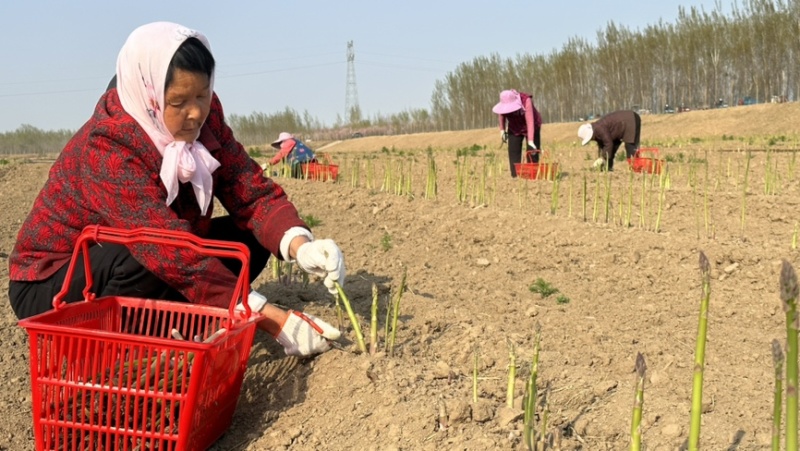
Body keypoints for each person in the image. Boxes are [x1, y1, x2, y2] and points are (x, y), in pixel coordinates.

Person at [8, 22, 344, 357]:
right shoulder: (109, 146)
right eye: (179, 101)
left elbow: (250, 191)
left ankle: (185, 323)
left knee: (249, 241)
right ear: (148, 97)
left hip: (155, 253)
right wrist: (272, 319)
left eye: (202, 94)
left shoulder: (206, 120)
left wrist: (300, 245)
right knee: (143, 252)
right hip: (53, 285)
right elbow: (166, 249)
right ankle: (118, 353)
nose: (195, 112)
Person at [492, 89, 543, 177]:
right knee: (513, 151)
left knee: (532, 151)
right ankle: (515, 177)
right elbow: (501, 116)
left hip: (532, 126)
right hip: (515, 127)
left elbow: (530, 122)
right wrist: (502, 131)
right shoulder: (503, 107)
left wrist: (530, 141)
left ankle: (533, 175)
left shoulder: (526, 101)